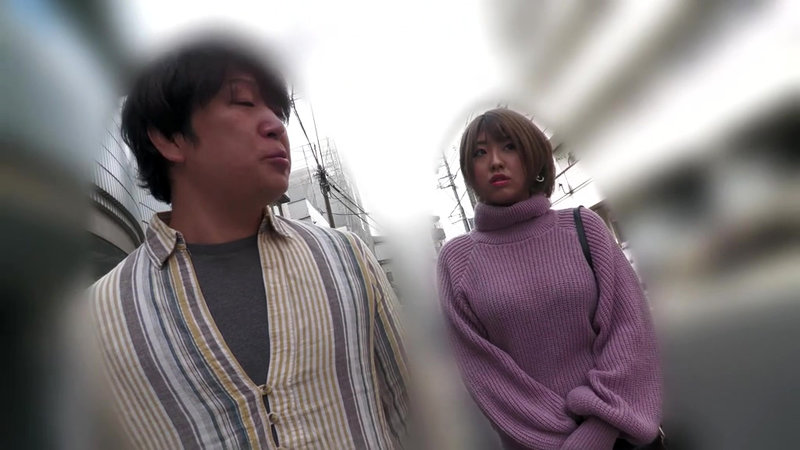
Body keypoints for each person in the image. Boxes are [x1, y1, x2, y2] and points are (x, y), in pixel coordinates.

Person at [90, 36, 408, 449]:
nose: (276, 125)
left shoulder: (347, 259)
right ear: (170, 138)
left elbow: (417, 418)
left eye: (277, 110)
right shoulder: (99, 319)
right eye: (243, 102)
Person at [436, 108, 662, 449]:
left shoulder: (584, 227)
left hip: (622, 438)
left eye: (509, 146)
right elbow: (485, 375)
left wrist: (598, 430)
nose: (495, 162)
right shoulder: (457, 260)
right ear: (470, 171)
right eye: (480, 153)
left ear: (533, 157)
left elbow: (630, 331)